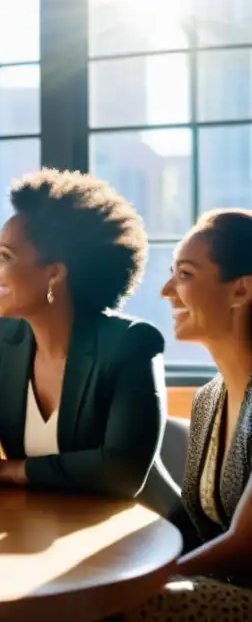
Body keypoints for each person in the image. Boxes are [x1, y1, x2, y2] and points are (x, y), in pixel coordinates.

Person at [0, 169, 173, 513]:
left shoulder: (130, 344)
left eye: (5, 257)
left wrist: (3, 470)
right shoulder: (1, 340)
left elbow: (122, 473)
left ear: (54, 273)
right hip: (40, 533)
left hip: (144, 540)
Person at [127, 209, 252, 621]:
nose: (165, 290)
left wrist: (144, 580)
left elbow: (244, 543)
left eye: (185, 274)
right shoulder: (208, 400)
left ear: (241, 290)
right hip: (218, 589)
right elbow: (192, 524)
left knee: (130, 604)